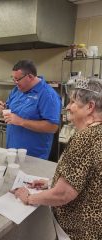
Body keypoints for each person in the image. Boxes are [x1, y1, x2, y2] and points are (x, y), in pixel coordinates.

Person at [12, 78, 102, 240]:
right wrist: (51, 182)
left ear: (90, 107)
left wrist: (29, 197)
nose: (67, 106)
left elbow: (63, 194)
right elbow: (89, 178)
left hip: (78, 232)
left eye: (73, 102)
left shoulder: (85, 138)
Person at [0, 60, 61, 159]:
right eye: (13, 79)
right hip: (12, 152)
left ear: (30, 77)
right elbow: (10, 114)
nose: (15, 83)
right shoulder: (17, 90)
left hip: (34, 157)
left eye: (18, 79)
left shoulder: (47, 95)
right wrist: (3, 109)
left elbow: (52, 127)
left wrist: (21, 121)